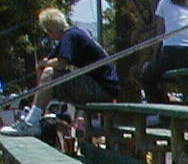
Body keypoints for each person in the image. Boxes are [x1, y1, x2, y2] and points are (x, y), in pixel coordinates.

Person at [1, 8, 118, 136]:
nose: (49, 36)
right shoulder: (72, 35)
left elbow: (61, 63)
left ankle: (30, 122)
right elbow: (49, 61)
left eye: (48, 32)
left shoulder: (71, 35)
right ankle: (34, 118)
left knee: (50, 73)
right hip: (100, 88)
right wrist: (43, 67)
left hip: (102, 90)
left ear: (51, 29)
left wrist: (44, 65)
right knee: (49, 74)